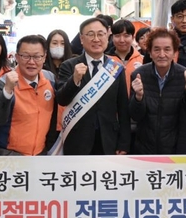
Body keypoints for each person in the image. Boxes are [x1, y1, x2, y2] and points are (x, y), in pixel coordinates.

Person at [0, 35, 58, 218]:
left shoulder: (49, 80)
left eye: (37, 56)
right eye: (26, 56)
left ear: (44, 57)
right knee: (7, 210)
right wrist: (8, 90)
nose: (32, 61)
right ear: (16, 57)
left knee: (32, 207)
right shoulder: (3, 82)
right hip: (10, 155)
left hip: (39, 154)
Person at [129, 28, 186, 218]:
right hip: (145, 146)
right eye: (156, 49)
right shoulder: (139, 74)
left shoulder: (185, 74)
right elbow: (135, 115)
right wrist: (138, 97)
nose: (162, 54)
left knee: (173, 201)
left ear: (175, 51)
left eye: (167, 49)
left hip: (175, 147)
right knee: (145, 199)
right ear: (149, 51)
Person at [55, 17, 131, 156]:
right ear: (81, 38)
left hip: (108, 139)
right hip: (78, 139)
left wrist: (124, 142)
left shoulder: (115, 68)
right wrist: (74, 80)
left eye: (100, 34)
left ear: (107, 36)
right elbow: (61, 99)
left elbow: (123, 108)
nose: (96, 39)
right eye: (90, 34)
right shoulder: (69, 66)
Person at [108, 19, 144, 94]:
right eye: (117, 36)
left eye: (126, 36)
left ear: (133, 37)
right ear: (112, 38)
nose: (122, 40)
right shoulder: (105, 60)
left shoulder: (142, 60)